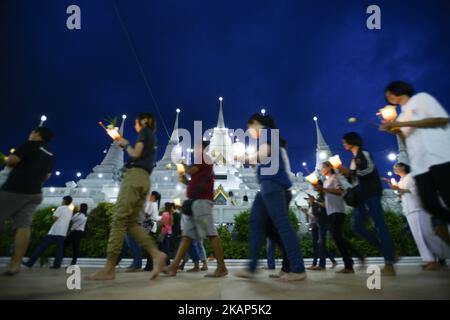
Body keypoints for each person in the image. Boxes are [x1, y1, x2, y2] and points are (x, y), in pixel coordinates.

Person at [85, 112, 166, 281]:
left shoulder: (145, 132)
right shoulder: (153, 138)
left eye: (136, 122)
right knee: (131, 223)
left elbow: (135, 153)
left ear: (143, 121)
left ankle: (109, 268)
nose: (135, 125)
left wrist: (123, 143)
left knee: (119, 219)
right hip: (145, 179)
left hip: (134, 176)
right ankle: (155, 253)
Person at [235, 114, 306, 281]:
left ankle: (298, 268)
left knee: (282, 224)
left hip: (273, 184)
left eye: (248, 127)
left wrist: (243, 158)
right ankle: (252, 267)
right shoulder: (269, 138)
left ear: (255, 124)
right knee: (256, 221)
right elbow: (263, 161)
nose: (248, 132)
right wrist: (252, 163)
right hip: (267, 185)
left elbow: (264, 154)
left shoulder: (267, 132)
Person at [380, 81, 450, 243]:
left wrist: (403, 124)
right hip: (420, 165)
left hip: (440, 157)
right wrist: (397, 131)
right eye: (387, 96)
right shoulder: (402, 116)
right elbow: (407, 142)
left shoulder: (421, 99)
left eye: (390, 92)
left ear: (399, 90)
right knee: (429, 203)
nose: (388, 97)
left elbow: (440, 120)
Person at [163, 141, 228, 277]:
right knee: (186, 236)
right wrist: (183, 178)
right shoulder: (201, 161)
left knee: (211, 233)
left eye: (197, 147)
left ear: (203, 148)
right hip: (193, 202)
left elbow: (191, 170)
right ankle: (174, 266)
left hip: (202, 202)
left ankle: (221, 267)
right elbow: (192, 180)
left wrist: (180, 163)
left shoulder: (204, 157)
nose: (194, 149)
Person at [338, 132, 396, 275]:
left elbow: (369, 169)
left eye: (345, 141)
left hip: (371, 193)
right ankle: (387, 251)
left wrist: (353, 172)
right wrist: (345, 175)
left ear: (352, 141)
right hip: (359, 196)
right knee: (357, 226)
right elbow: (354, 181)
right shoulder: (352, 160)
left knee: (379, 224)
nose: (343, 144)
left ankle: (389, 263)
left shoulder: (363, 153)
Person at [0, 127, 54, 276]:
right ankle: (15, 264)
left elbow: (12, 161)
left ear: (37, 134)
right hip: (35, 192)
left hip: (15, 188)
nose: (30, 134)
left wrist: (6, 159)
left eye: (31, 132)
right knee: (23, 226)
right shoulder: (50, 154)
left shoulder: (29, 144)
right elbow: (46, 177)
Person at [386, 163, 450, 270]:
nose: (394, 168)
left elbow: (416, 190)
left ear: (403, 167)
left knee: (427, 234)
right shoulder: (401, 180)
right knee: (418, 237)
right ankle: (429, 259)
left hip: (418, 207)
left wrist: (401, 190)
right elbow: (400, 194)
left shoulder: (411, 176)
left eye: (396, 166)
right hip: (409, 210)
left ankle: (443, 254)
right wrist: (394, 188)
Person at [318, 161, 363, 273]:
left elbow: (340, 191)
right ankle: (353, 259)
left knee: (337, 237)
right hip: (331, 212)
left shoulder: (335, 177)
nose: (321, 169)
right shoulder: (325, 181)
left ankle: (350, 263)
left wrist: (324, 190)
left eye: (322, 167)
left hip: (338, 211)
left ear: (329, 167)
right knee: (338, 238)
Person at [24, 196, 74, 269]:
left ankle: (30, 263)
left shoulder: (60, 208)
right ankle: (57, 265)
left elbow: (54, 218)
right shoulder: (70, 211)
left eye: (63, 200)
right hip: (63, 232)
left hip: (54, 231)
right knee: (59, 250)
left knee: (42, 247)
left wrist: (53, 213)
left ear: (64, 201)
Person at [143, 191, 161, 271]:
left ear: (153, 196)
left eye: (151, 195)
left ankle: (149, 266)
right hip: (151, 226)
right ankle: (149, 266)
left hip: (150, 226)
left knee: (148, 247)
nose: (149, 196)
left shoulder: (152, 204)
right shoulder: (154, 204)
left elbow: (147, 214)